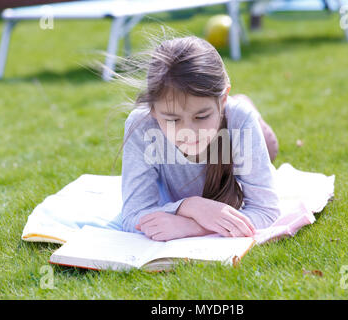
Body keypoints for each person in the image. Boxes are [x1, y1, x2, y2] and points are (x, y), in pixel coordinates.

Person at [118, 36, 280, 241]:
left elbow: (267, 211)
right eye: (173, 119)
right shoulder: (141, 125)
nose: (190, 131)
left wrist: (194, 226)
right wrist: (191, 206)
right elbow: (133, 215)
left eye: (201, 116)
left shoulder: (240, 120)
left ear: (222, 100)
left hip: (240, 128)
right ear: (153, 110)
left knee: (268, 145)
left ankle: (245, 106)